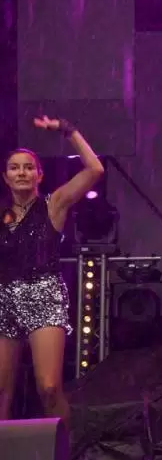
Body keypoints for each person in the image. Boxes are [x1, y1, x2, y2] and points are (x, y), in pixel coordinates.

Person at [0, 116, 105, 424]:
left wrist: (68, 131)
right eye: (14, 168)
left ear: (39, 175)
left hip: (44, 295)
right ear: (5, 177)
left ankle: (64, 452)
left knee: (48, 388)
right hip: (4, 299)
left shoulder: (53, 204)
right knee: (1, 391)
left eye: (28, 167)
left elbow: (95, 170)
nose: (22, 172)